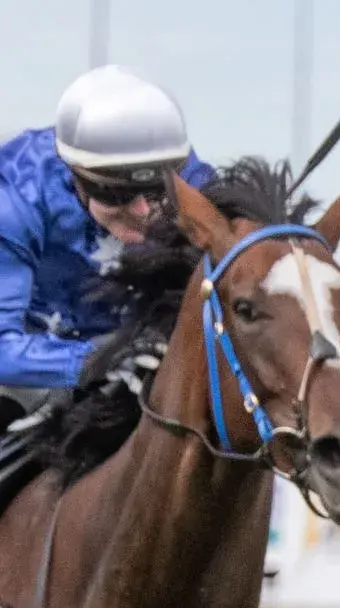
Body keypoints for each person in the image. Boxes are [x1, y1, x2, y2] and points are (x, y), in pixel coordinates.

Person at [0, 65, 213, 433]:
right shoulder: (15, 198)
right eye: (117, 194)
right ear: (76, 176)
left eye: (157, 191)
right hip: (28, 373)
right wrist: (99, 359)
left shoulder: (189, 179)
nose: (144, 212)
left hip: (144, 356)